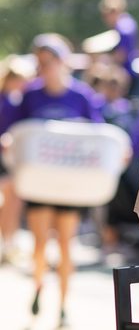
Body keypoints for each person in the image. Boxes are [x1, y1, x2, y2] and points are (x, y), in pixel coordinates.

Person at [0, 34, 103, 326]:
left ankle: (63, 305)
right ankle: (38, 287)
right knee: (39, 245)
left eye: (49, 61)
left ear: (62, 61)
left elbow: (98, 134)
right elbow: (11, 131)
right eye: (39, 63)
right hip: (38, 185)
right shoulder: (30, 96)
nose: (44, 68)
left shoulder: (81, 96)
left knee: (67, 246)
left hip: (69, 186)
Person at [0, 55, 35, 264]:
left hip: (12, 157)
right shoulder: (9, 102)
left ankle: (9, 242)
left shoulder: (15, 101)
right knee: (10, 201)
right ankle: (8, 243)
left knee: (11, 201)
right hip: (6, 158)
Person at [99, 0, 139, 84]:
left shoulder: (124, 27)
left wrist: (103, 62)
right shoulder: (126, 22)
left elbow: (121, 55)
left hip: (125, 76)